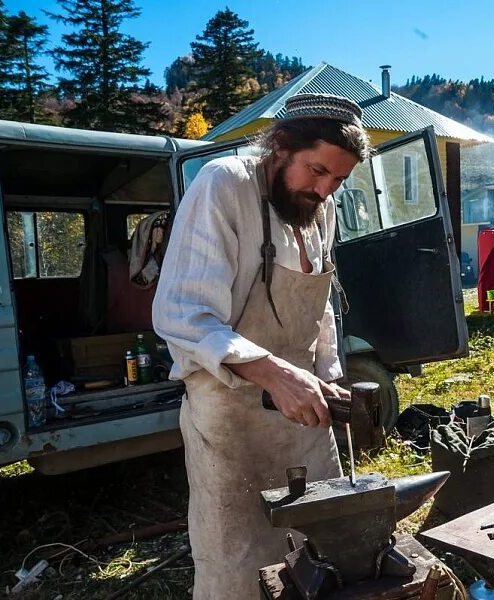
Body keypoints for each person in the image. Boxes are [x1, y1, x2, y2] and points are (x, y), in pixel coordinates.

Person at [152, 93, 371, 599]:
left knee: (321, 549)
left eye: (338, 180)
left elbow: (318, 305)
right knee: (239, 562)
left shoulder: (321, 207)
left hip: (304, 413)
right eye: (317, 171)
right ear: (280, 146)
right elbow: (182, 312)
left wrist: (328, 378)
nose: (324, 190)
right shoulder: (224, 184)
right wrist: (274, 373)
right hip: (231, 417)